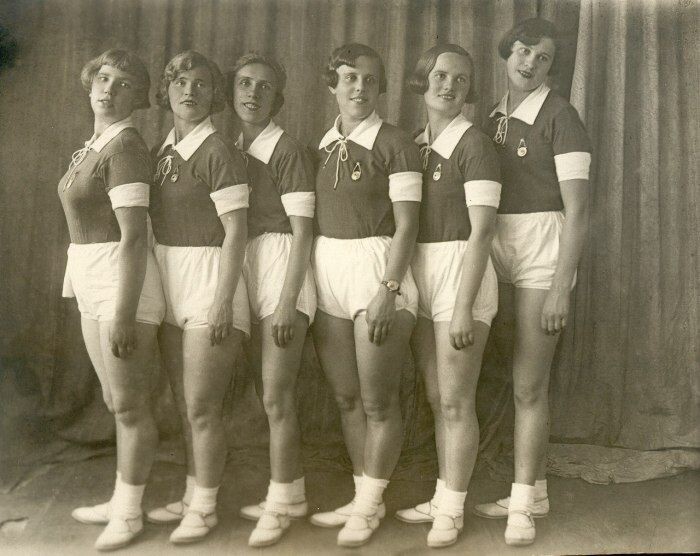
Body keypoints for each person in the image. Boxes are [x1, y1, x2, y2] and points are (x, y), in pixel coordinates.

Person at [472, 18, 592, 546]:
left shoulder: (562, 116)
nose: (530, 63)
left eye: (543, 58)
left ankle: (521, 505)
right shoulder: (492, 116)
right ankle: (535, 489)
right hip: (498, 247)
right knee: (511, 376)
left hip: (544, 250)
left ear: (551, 68)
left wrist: (561, 286)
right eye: (523, 51)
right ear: (507, 53)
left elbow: (579, 212)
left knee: (528, 385)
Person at [309, 43, 423, 547]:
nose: (359, 87)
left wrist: (388, 289)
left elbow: (408, 225)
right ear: (332, 84)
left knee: (379, 402)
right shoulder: (323, 144)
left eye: (370, 80)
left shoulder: (396, 143)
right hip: (328, 269)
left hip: (378, 271)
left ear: (381, 89)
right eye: (350, 78)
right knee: (346, 397)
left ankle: (369, 502)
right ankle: (364, 499)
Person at [393, 44, 501, 548]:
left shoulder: (475, 145)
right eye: (440, 75)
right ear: (424, 80)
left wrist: (462, 306)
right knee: (438, 397)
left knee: (456, 401)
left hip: (462, 273)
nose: (449, 86)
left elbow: (483, 232)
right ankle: (443, 496)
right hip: (423, 272)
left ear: (469, 90)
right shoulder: (415, 145)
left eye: (461, 79)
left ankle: (453, 510)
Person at [61, 49, 165, 551]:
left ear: (138, 98)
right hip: (90, 275)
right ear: (90, 83)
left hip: (121, 281)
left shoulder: (125, 147)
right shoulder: (94, 146)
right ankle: (122, 497)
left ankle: (128, 513)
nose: (108, 89)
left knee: (130, 405)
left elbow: (134, 236)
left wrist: (124, 312)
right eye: (103, 78)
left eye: (123, 84)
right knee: (114, 401)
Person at [145, 50, 250, 544]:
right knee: (185, 404)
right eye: (180, 82)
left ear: (215, 95)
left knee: (204, 407)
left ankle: (205, 508)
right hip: (170, 279)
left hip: (211, 281)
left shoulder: (218, 151)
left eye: (201, 84)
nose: (189, 91)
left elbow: (237, 232)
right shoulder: (161, 152)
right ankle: (193, 494)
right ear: (166, 90)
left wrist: (223, 300)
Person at [226, 52, 316, 547]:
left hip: (284, 267)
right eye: (245, 84)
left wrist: (287, 301)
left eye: (264, 87)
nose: (253, 94)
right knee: (266, 394)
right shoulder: (234, 148)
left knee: (277, 395)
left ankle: (280, 504)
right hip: (250, 263)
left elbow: (303, 232)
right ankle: (292, 493)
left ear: (277, 98)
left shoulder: (286, 149)